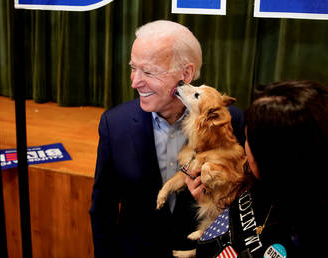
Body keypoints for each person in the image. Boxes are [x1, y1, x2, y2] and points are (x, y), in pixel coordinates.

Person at [89, 20, 245, 258]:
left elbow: (245, 201)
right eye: (133, 68)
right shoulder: (114, 123)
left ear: (186, 73)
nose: (135, 81)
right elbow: (103, 209)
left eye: (149, 71)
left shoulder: (229, 122)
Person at [194, 80, 328, 257]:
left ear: (278, 163)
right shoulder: (268, 184)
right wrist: (215, 199)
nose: (244, 145)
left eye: (250, 141)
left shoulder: (319, 240)